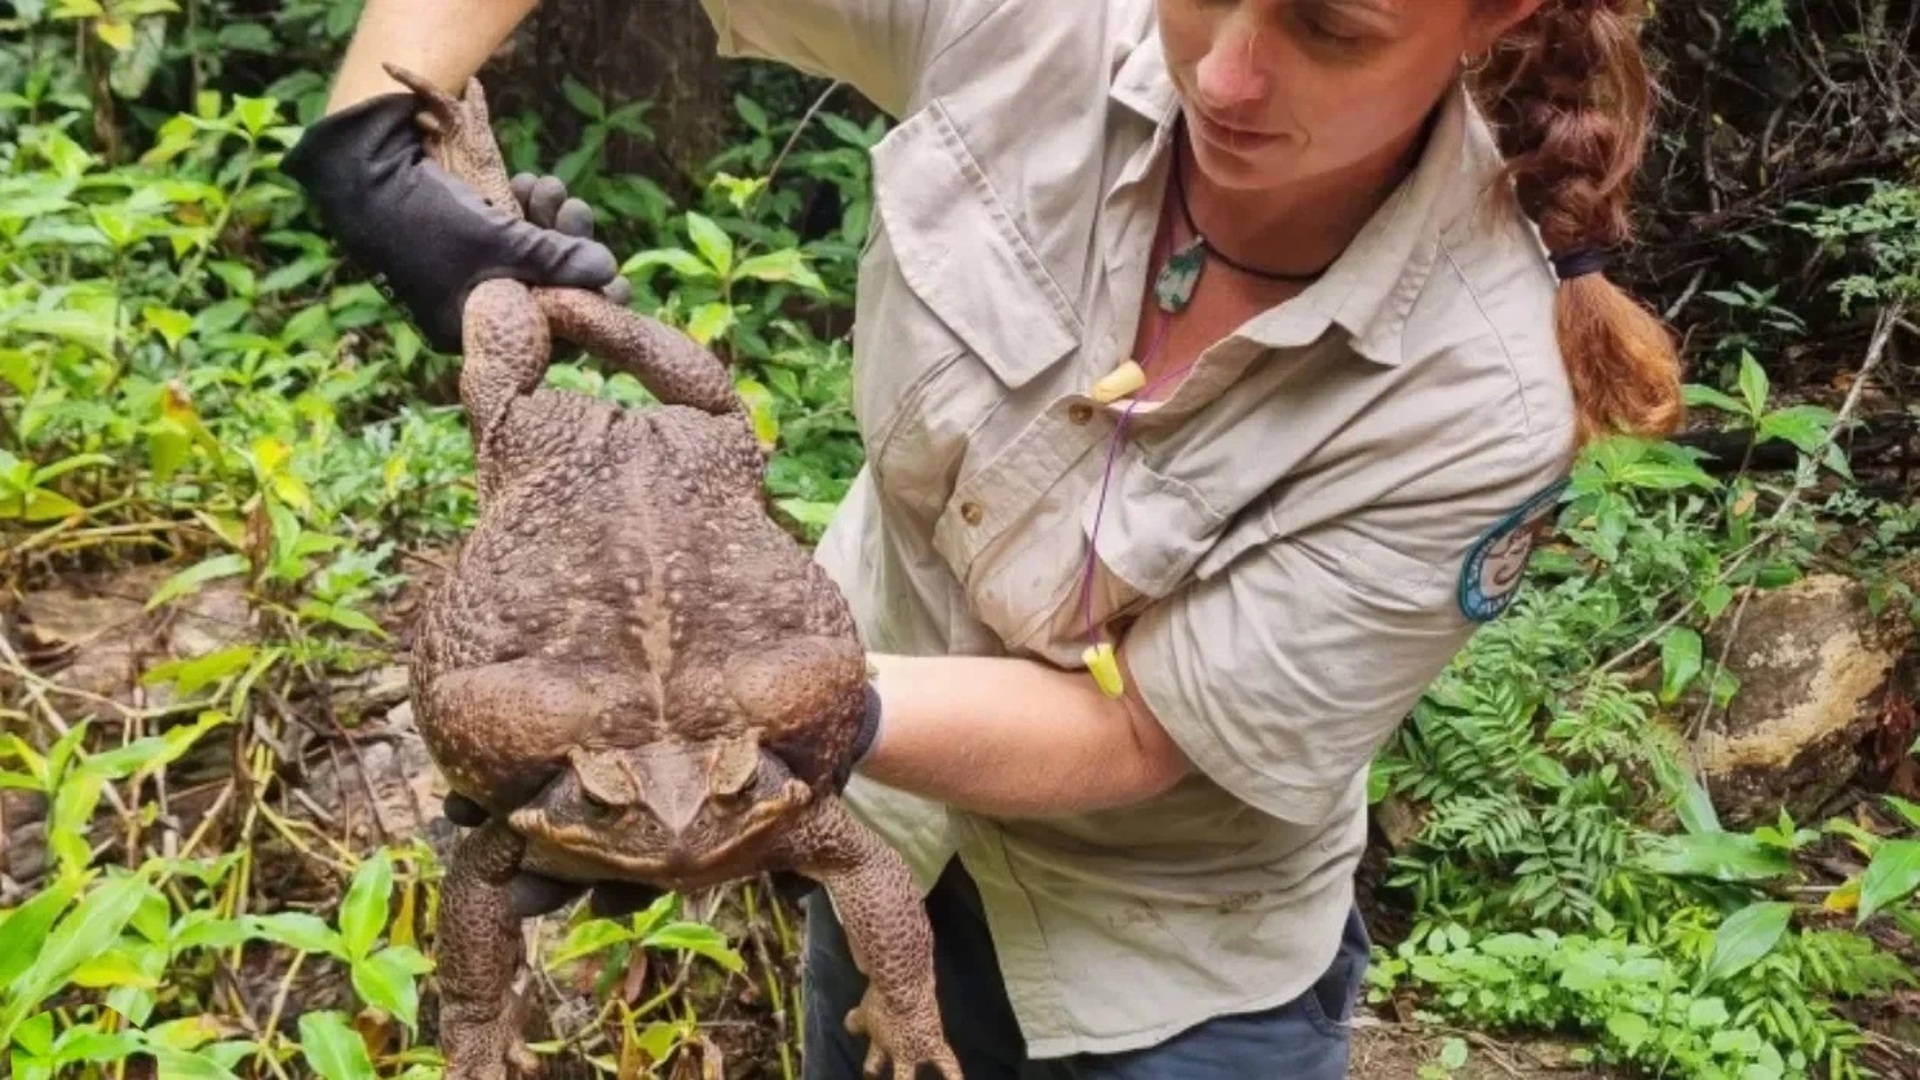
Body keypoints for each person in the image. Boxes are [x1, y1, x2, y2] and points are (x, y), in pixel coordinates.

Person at [283, 0, 1685, 1076]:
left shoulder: (1480, 397)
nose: (1230, 73)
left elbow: (1144, 736)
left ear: (1495, 15)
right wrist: (374, 149)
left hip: (1161, 978)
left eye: (1329, 26)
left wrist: (752, 713)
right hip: (873, 840)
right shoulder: (1045, 25)